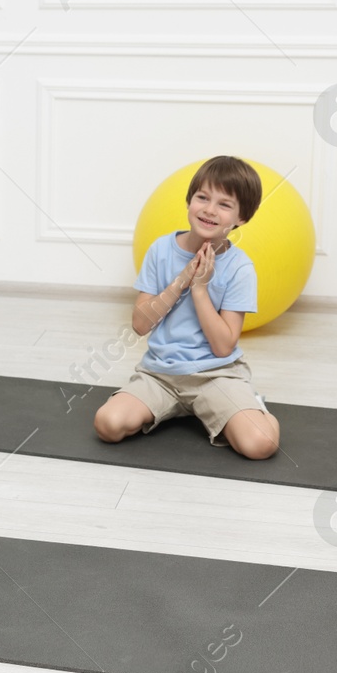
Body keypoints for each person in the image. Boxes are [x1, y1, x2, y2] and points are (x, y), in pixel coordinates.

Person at [93, 155, 280, 459]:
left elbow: (222, 347)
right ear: (189, 201)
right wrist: (182, 279)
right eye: (202, 197)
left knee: (261, 445)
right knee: (107, 425)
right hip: (160, 375)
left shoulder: (240, 268)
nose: (209, 209)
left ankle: (251, 406)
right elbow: (140, 325)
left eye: (224, 204)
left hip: (217, 375)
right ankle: (176, 407)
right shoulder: (160, 250)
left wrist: (200, 288)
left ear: (241, 218)